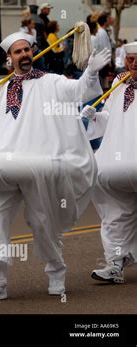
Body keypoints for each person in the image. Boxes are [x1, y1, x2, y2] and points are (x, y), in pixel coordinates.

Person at [0, 32, 110, 301]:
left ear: (33, 52)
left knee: (42, 221)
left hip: (39, 164)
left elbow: (78, 91)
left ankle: (56, 272)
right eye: (18, 52)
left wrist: (91, 73)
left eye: (27, 50)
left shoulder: (51, 82)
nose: (24, 54)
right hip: (3, 164)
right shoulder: (3, 87)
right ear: (10, 58)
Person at [81, 41, 137, 283]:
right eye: (130, 59)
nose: (134, 64)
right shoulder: (118, 83)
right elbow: (112, 117)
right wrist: (96, 117)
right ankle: (115, 263)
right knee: (114, 213)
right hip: (116, 158)